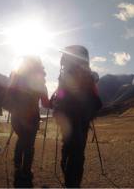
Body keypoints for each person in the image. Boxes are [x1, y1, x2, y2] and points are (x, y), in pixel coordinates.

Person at [52, 45, 102, 187]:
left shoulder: (64, 74)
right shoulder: (88, 75)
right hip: (82, 117)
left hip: (66, 116)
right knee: (78, 152)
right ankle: (72, 183)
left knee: (69, 145)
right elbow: (96, 100)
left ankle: (66, 170)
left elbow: (60, 94)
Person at [8, 56, 50, 187]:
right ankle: (26, 171)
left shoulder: (16, 76)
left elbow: (9, 94)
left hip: (16, 116)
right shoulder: (40, 80)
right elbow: (45, 103)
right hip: (31, 117)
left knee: (21, 139)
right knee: (29, 144)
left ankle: (17, 166)